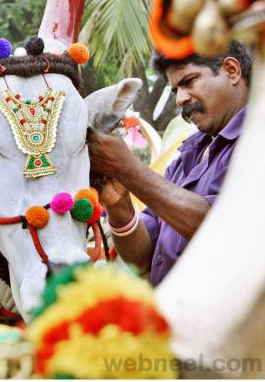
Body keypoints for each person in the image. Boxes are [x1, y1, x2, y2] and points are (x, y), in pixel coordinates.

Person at [87, 40, 251, 286]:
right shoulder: (190, 152)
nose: (180, 99)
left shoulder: (256, 140)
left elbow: (221, 229)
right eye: (175, 90)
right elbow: (143, 259)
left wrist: (129, 170)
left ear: (231, 70)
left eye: (189, 81)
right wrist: (119, 205)